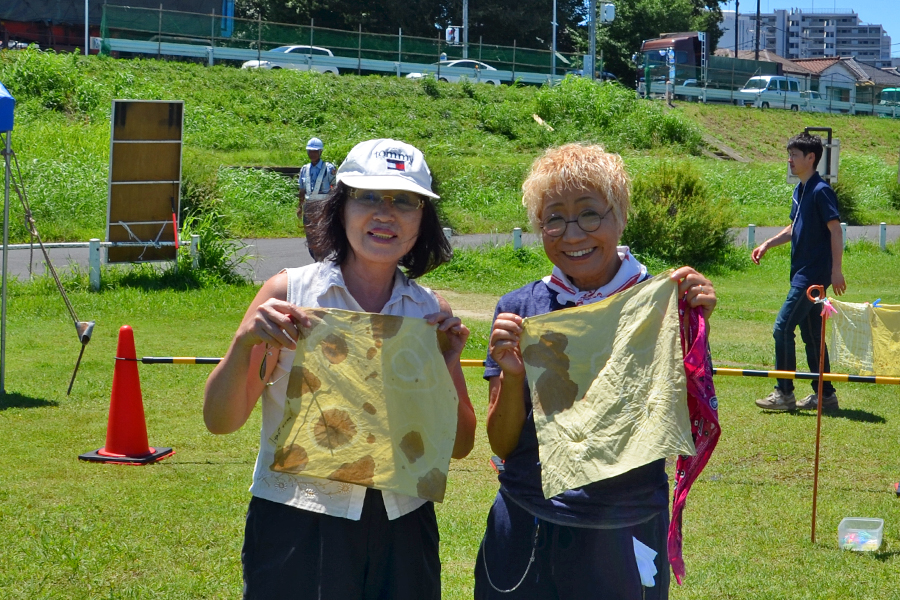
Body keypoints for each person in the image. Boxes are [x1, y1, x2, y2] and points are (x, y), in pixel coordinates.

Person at [205, 138, 476, 599]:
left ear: (423, 218)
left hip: (403, 523)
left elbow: (462, 445)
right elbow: (220, 421)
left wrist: (446, 365)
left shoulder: (428, 311)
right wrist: (244, 340)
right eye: (368, 196)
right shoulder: (288, 293)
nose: (385, 213)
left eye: (405, 201)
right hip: (298, 519)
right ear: (341, 205)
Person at [474, 143, 717, 600]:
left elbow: (687, 416)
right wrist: (509, 374)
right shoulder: (519, 310)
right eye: (554, 218)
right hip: (527, 514)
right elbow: (502, 444)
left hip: (626, 522)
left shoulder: (662, 307)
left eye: (590, 214)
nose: (572, 234)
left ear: (621, 216)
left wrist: (696, 329)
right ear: (538, 228)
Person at [752, 132, 846, 412]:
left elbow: (835, 230)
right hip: (802, 274)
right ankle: (825, 395)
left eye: (794, 155)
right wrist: (768, 243)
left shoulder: (820, 190)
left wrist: (836, 270)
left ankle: (784, 393)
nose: (789, 159)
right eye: (789, 154)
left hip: (812, 278)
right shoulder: (801, 190)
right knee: (813, 336)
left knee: (782, 328)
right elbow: (794, 229)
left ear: (811, 158)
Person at [297, 136, 337, 260]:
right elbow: (302, 189)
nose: (312, 154)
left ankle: (325, 260)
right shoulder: (305, 169)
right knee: (311, 236)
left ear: (320, 152)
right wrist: (300, 206)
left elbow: (336, 187)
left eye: (315, 151)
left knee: (324, 234)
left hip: (323, 205)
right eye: (310, 151)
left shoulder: (329, 169)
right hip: (309, 206)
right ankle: (316, 260)